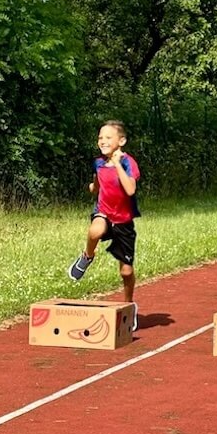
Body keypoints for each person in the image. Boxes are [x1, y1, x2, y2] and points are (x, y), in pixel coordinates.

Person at [68, 120, 141, 331]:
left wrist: (117, 164)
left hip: (124, 221)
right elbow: (97, 182)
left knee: (126, 272)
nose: (103, 141)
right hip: (104, 212)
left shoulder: (128, 163)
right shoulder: (98, 162)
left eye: (108, 137)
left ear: (122, 141)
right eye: (100, 137)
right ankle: (87, 256)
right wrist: (93, 188)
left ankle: (129, 306)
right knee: (96, 229)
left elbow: (130, 190)